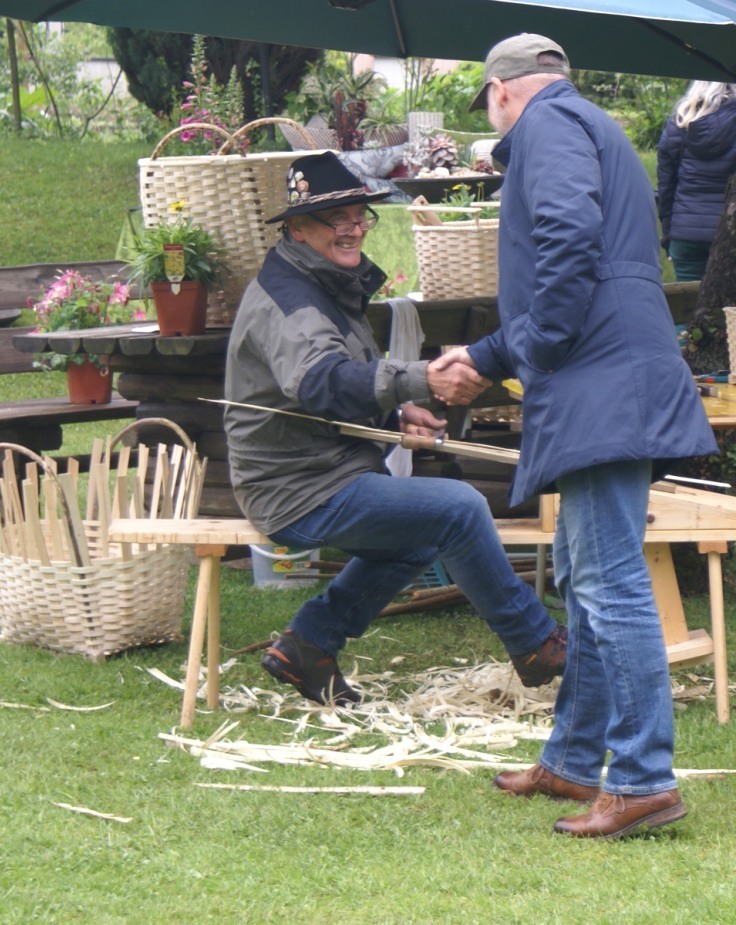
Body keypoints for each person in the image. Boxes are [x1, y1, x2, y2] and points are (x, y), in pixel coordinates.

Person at [434, 34, 718, 839]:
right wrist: (500, 353)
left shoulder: (547, 125)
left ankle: (642, 779)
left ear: (501, 92)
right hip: (614, 370)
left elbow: (566, 242)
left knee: (606, 579)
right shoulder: (588, 122)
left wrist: (523, 350)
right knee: (585, 573)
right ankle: (571, 757)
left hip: (600, 377)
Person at [223, 150, 566, 708]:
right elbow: (321, 382)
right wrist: (421, 379)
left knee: (421, 536)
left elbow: (329, 386)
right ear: (298, 228)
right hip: (296, 490)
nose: (355, 228)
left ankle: (309, 644)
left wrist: (395, 413)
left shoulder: (320, 278)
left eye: (360, 215)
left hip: (320, 474)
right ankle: (535, 645)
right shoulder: (292, 301)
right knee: (458, 507)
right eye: (337, 218)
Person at [657, 80, 736, 281]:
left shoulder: (679, 121)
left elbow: (666, 188)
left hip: (686, 233)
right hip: (729, 231)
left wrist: (668, 237)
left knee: (690, 298)